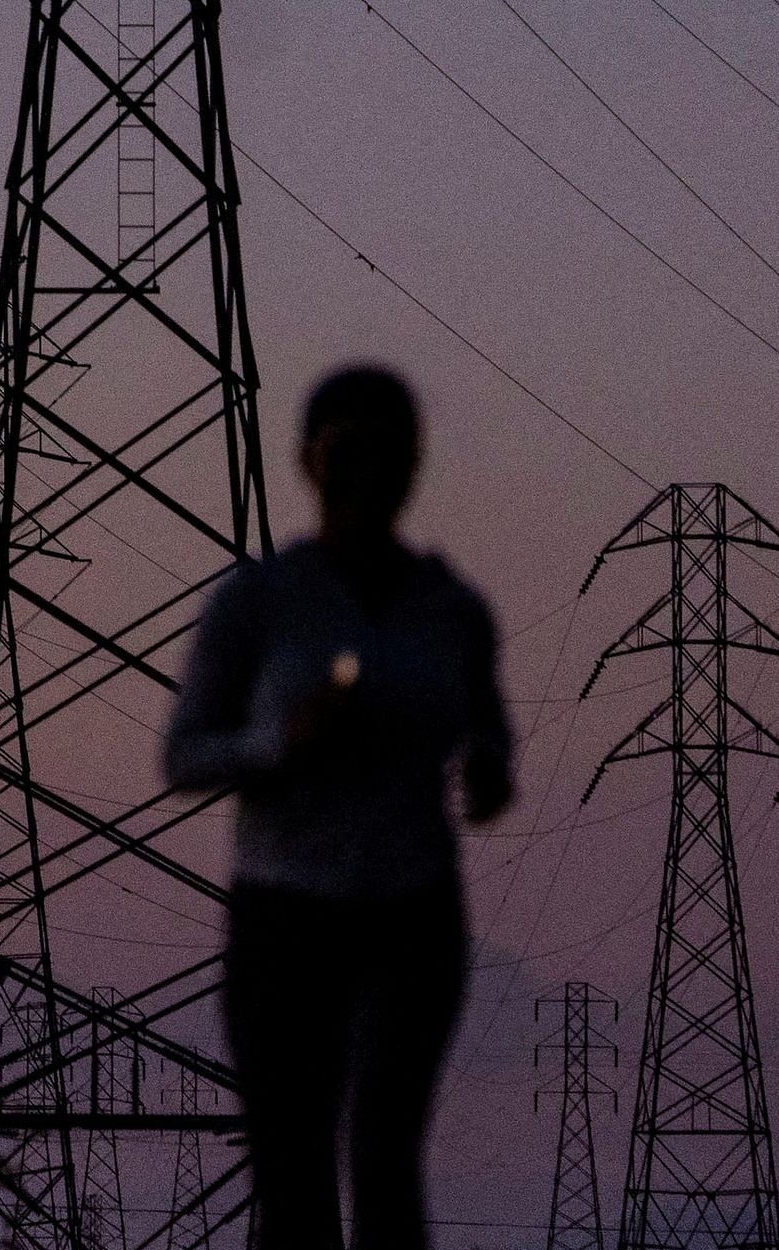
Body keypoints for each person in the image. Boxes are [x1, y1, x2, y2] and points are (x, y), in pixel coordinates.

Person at [162, 364, 514, 1250]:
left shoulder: (451, 608)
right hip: (287, 912)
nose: (367, 472)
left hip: (412, 911)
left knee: (388, 1163)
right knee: (292, 1174)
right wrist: (278, 746)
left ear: (413, 466)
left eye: (387, 453)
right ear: (308, 461)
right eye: (347, 449)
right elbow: (185, 753)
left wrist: (486, 773)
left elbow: (490, 733)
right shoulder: (259, 602)